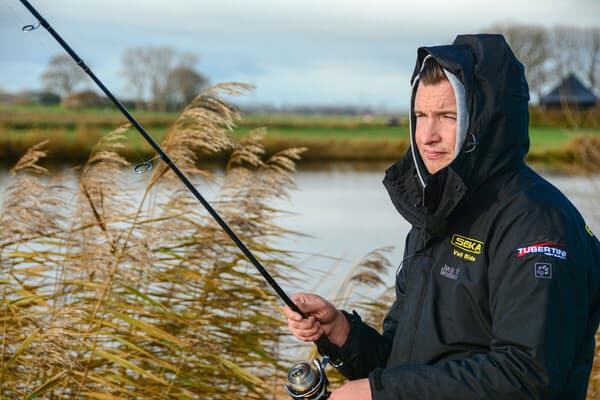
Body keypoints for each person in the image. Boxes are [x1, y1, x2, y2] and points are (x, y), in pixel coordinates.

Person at [283, 34, 600, 399]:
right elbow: (404, 364)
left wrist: (379, 394)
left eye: (447, 117)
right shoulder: (436, 214)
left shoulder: (538, 223)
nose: (427, 136)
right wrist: (341, 333)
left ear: (483, 122)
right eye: (420, 116)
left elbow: (528, 376)